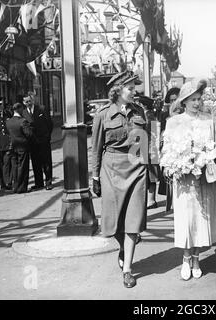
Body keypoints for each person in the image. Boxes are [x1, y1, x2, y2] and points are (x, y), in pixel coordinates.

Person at [161, 79, 216, 280]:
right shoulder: (173, 121)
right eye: (192, 99)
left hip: (203, 176)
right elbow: (167, 147)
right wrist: (170, 164)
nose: (197, 103)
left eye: (199, 99)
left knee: (200, 218)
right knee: (185, 219)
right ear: (184, 101)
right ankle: (185, 258)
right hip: (183, 178)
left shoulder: (209, 120)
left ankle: (196, 258)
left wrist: (206, 157)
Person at [91, 70, 147, 288]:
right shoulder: (102, 115)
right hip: (111, 169)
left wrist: (151, 172)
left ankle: (128, 270)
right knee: (112, 221)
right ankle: (124, 246)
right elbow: (95, 149)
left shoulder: (140, 111)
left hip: (136, 168)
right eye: (130, 88)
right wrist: (95, 176)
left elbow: (145, 144)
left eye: (135, 88)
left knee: (133, 219)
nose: (134, 92)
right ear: (117, 90)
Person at [22, 93, 53, 191]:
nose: (28, 103)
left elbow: (49, 123)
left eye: (29, 101)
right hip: (32, 143)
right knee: (36, 163)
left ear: (33, 100)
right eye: (26, 102)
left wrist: (47, 136)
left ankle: (48, 182)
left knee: (46, 162)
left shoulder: (41, 109)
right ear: (23, 103)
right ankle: (38, 183)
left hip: (43, 141)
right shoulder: (24, 113)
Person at [6, 103, 33, 193]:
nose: (23, 110)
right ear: (19, 109)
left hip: (13, 147)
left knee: (15, 167)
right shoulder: (23, 121)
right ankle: (22, 188)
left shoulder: (8, 122)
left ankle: (16, 187)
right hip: (23, 147)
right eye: (22, 109)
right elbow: (29, 134)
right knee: (23, 167)